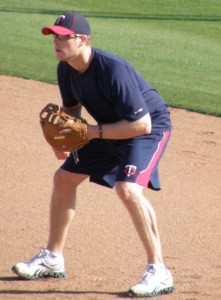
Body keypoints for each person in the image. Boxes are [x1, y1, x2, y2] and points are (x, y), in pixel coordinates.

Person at [12, 11, 174, 298]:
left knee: (128, 190)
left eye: (63, 38)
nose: (56, 43)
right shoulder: (66, 69)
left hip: (146, 129)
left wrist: (91, 133)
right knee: (63, 179)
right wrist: (63, 139)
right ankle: (53, 257)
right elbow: (73, 113)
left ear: (83, 40)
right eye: (54, 37)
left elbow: (141, 124)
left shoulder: (112, 69)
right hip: (107, 128)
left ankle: (158, 271)